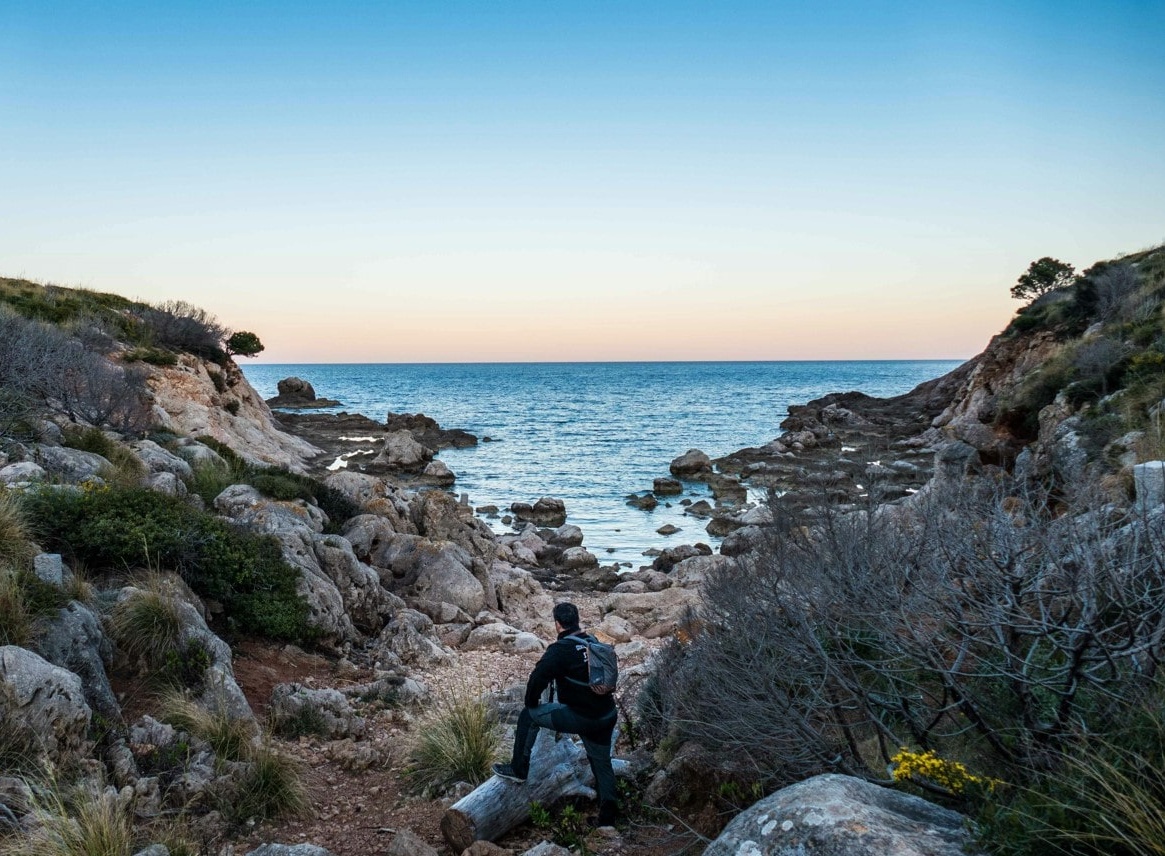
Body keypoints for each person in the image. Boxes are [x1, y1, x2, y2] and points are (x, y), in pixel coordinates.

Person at [492, 601, 619, 827]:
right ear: (577, 620)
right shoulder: (592, 642)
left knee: (528, 716)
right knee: (601, 762)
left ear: (558, 624)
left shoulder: (559, 650)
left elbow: (537, 680)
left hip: (582, 717)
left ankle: (519, 770)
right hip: (606, 714)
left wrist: (531, 703)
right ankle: (608, 818)